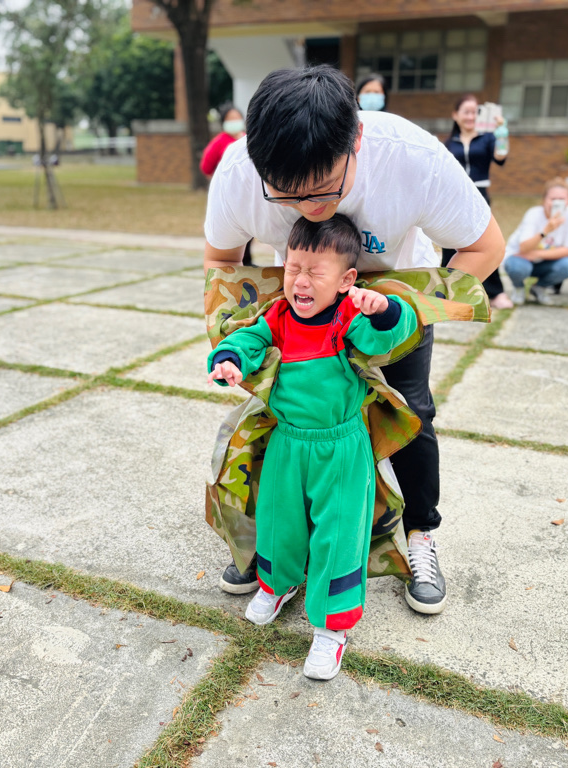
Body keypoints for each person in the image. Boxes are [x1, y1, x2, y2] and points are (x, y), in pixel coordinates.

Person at [204, 65, 504, 615]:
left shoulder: (412, 159)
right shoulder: (240, 173)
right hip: (302, 301)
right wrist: (238, 341)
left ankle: (419, 534)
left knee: (411, 413)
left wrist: (400, 316)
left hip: (388, 300)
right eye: (287, 195)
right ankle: (269, 546)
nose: (308, 206)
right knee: (282, 419)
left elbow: (486, 247)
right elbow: (222, 261)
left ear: (357, 138)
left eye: (323, 189)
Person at [208, 214, 418, 680]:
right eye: (292, 268)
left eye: (314, 272)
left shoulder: (349, 317)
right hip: (287, 442)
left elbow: (391, 335)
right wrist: (228, 360)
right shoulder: (279, 316)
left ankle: (332, 627)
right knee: (278, 520)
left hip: (340, 449)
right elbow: (248, 338)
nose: (300, 281)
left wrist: (382, 309)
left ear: (346, 280)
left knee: (337, 533)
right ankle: (277, 584)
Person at [441, 94, 512, 309]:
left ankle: (495, 292)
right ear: (456, 115)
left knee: (484, 241)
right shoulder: (449, 143)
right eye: (466, 112)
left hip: (479, 193)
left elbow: (501, 156)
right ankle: (447, 291)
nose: (471, 116)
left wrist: (502, 133)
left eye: (475, 112)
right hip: (454, 195)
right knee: (450, 242)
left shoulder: (487, 138)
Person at [503, 178, 568, 305]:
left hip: (545, 262)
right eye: (553, 199)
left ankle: (539, 287)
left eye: (562, 199)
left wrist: (536, 254)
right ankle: (518, 287)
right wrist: (546, 231)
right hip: (521, 260)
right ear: (544, 200)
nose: (557, 203)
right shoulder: (534, 214)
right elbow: (523, 248)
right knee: (518, 267)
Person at [200, 103, 253, 266]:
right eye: (230, 119)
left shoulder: (249, 138)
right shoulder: (219, 142)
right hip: (230, 197)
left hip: (249, 195)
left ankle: (248, 261)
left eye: (237, 118)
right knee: (233, 233)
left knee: (250, 230)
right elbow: (206, 166)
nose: (234, 122)